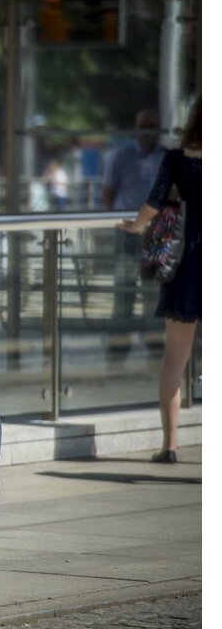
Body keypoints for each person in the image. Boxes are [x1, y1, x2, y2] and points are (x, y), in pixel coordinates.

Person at [117, 97, 201, 465]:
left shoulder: (176, 158)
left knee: (174, 360)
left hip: (186, 265)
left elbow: (153, 203)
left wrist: (136, 226)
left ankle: (170, 445)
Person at [103, 109, 166, 361]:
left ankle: (155, 348)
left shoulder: (165, 157)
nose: (149, 130)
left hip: (156, 233)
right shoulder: (121, 157)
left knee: (153, 293)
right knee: (123, 290)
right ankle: (119, 349)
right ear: (136, 128)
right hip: (127, 232)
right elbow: (108, 193)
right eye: (145, 125)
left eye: (153, 125)